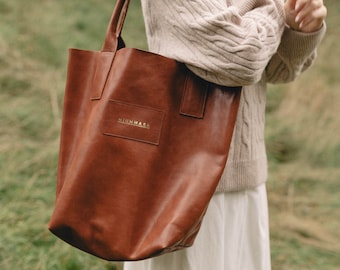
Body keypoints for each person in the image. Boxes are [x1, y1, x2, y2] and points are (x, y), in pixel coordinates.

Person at [124, 0, 327, 269]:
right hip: (183, 190)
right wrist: (278, 9)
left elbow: (277, 70)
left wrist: (302, 27)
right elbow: (241, 58)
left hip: (247, 179)